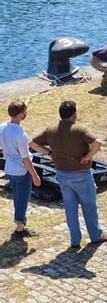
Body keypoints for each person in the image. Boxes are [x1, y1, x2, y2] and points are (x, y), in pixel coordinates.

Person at [30, 101, 107, 249]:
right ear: (74, 114)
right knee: (89, 207)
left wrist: (49, 153)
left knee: (70, 208)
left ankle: (75, 240)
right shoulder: (79, 129)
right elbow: (98, 142)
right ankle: (96, 235)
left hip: (62, 175)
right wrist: (88, 156)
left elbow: (32, 144)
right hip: (81, 175)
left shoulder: (51, 130)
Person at [0, 101, 41, 238]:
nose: (25, 113)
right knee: (22, 199)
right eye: (24, 111)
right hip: (22, 171)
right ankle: (19, 228)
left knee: (17, 197)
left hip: (9, 169)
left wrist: (47, 152)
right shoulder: (20, 134)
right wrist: (35, 175)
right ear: (19, 114)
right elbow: (26, 159)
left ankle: (20, 223)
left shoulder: (3, 127)